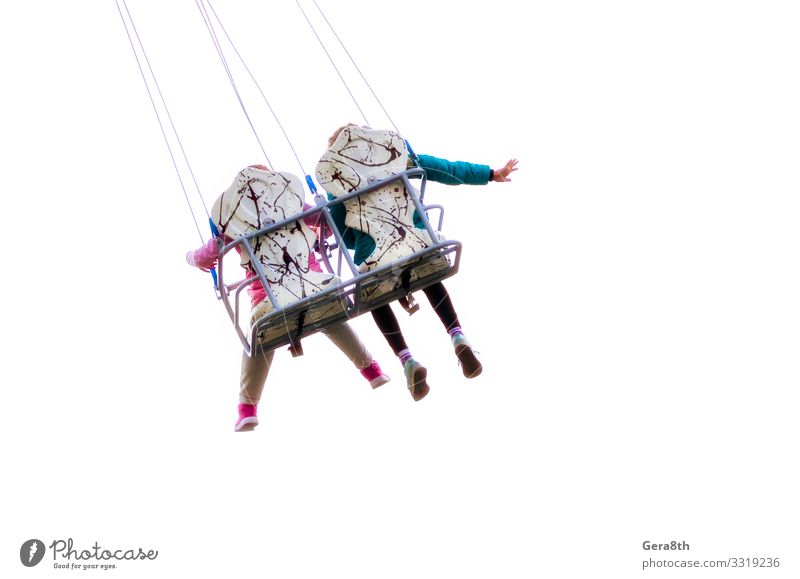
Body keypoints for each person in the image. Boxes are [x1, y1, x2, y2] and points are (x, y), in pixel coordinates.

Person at [319, 125, 518, 401]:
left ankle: (407, 359)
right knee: (425, 267)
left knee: (374, 295)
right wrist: (489, 174)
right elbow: (445, 169)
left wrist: (361, 237)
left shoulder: (336, 186)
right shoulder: (397, 156)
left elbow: (343, 234)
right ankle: (457, 335)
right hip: (417, 241)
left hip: (374, 258)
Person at [186, 164, 390, 431]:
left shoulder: (231, 222)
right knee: (330, 319)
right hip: (314, 284)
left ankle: (247, 407)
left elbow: (205, 256)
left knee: (260, 339)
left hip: (269, 300)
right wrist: (319, 211)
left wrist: (190, 257)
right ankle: (370, 370)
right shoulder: (291, 205)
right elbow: (324, 221)